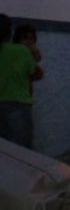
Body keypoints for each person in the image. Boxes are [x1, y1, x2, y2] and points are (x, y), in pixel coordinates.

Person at [0, 15, 43, 149]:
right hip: (17, 105)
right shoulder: (21, 51)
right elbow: (38, 74)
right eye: (25, 38)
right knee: (22, 152)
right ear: (10, 32)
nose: (28, 41)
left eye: (31, 38)